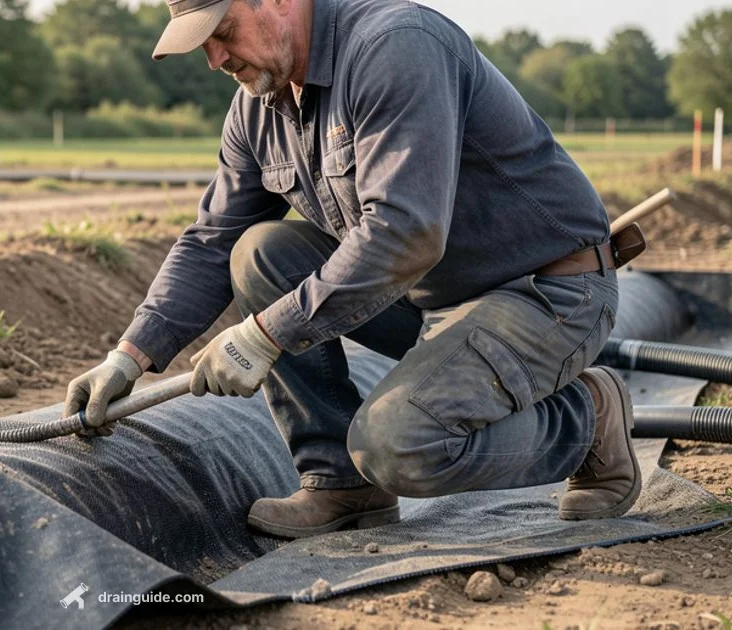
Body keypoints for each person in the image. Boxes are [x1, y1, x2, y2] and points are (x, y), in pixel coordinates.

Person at [63, 0, 646, 539]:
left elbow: (405, 231)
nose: (215, 59)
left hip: (544, 292)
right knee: (259, 251)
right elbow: (214, 238)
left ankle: (588, 420)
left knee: (395, 445)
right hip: (430, 299)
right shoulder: (259, 109)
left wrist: (265, 334)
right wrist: (129, 356)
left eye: (222, 32)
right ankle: (341, 486)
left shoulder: (396, 48)